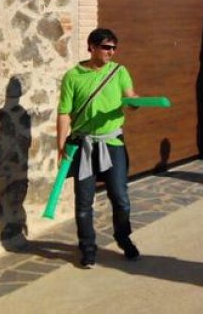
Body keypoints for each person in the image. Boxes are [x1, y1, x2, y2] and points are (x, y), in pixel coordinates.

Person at [57, 28, 141, 268]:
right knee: (83, 203)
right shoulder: (73, 76)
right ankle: (88, 249)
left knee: (121, 198)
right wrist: (60, 146)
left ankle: (123, 238)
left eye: (114, 48)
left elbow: (130, 95)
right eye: (106, 47)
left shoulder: (119, 71)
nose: (111, 52)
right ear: (91, 46)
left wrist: (134, 102)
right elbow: (64, 113)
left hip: (112, 143)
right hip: (83, 145)